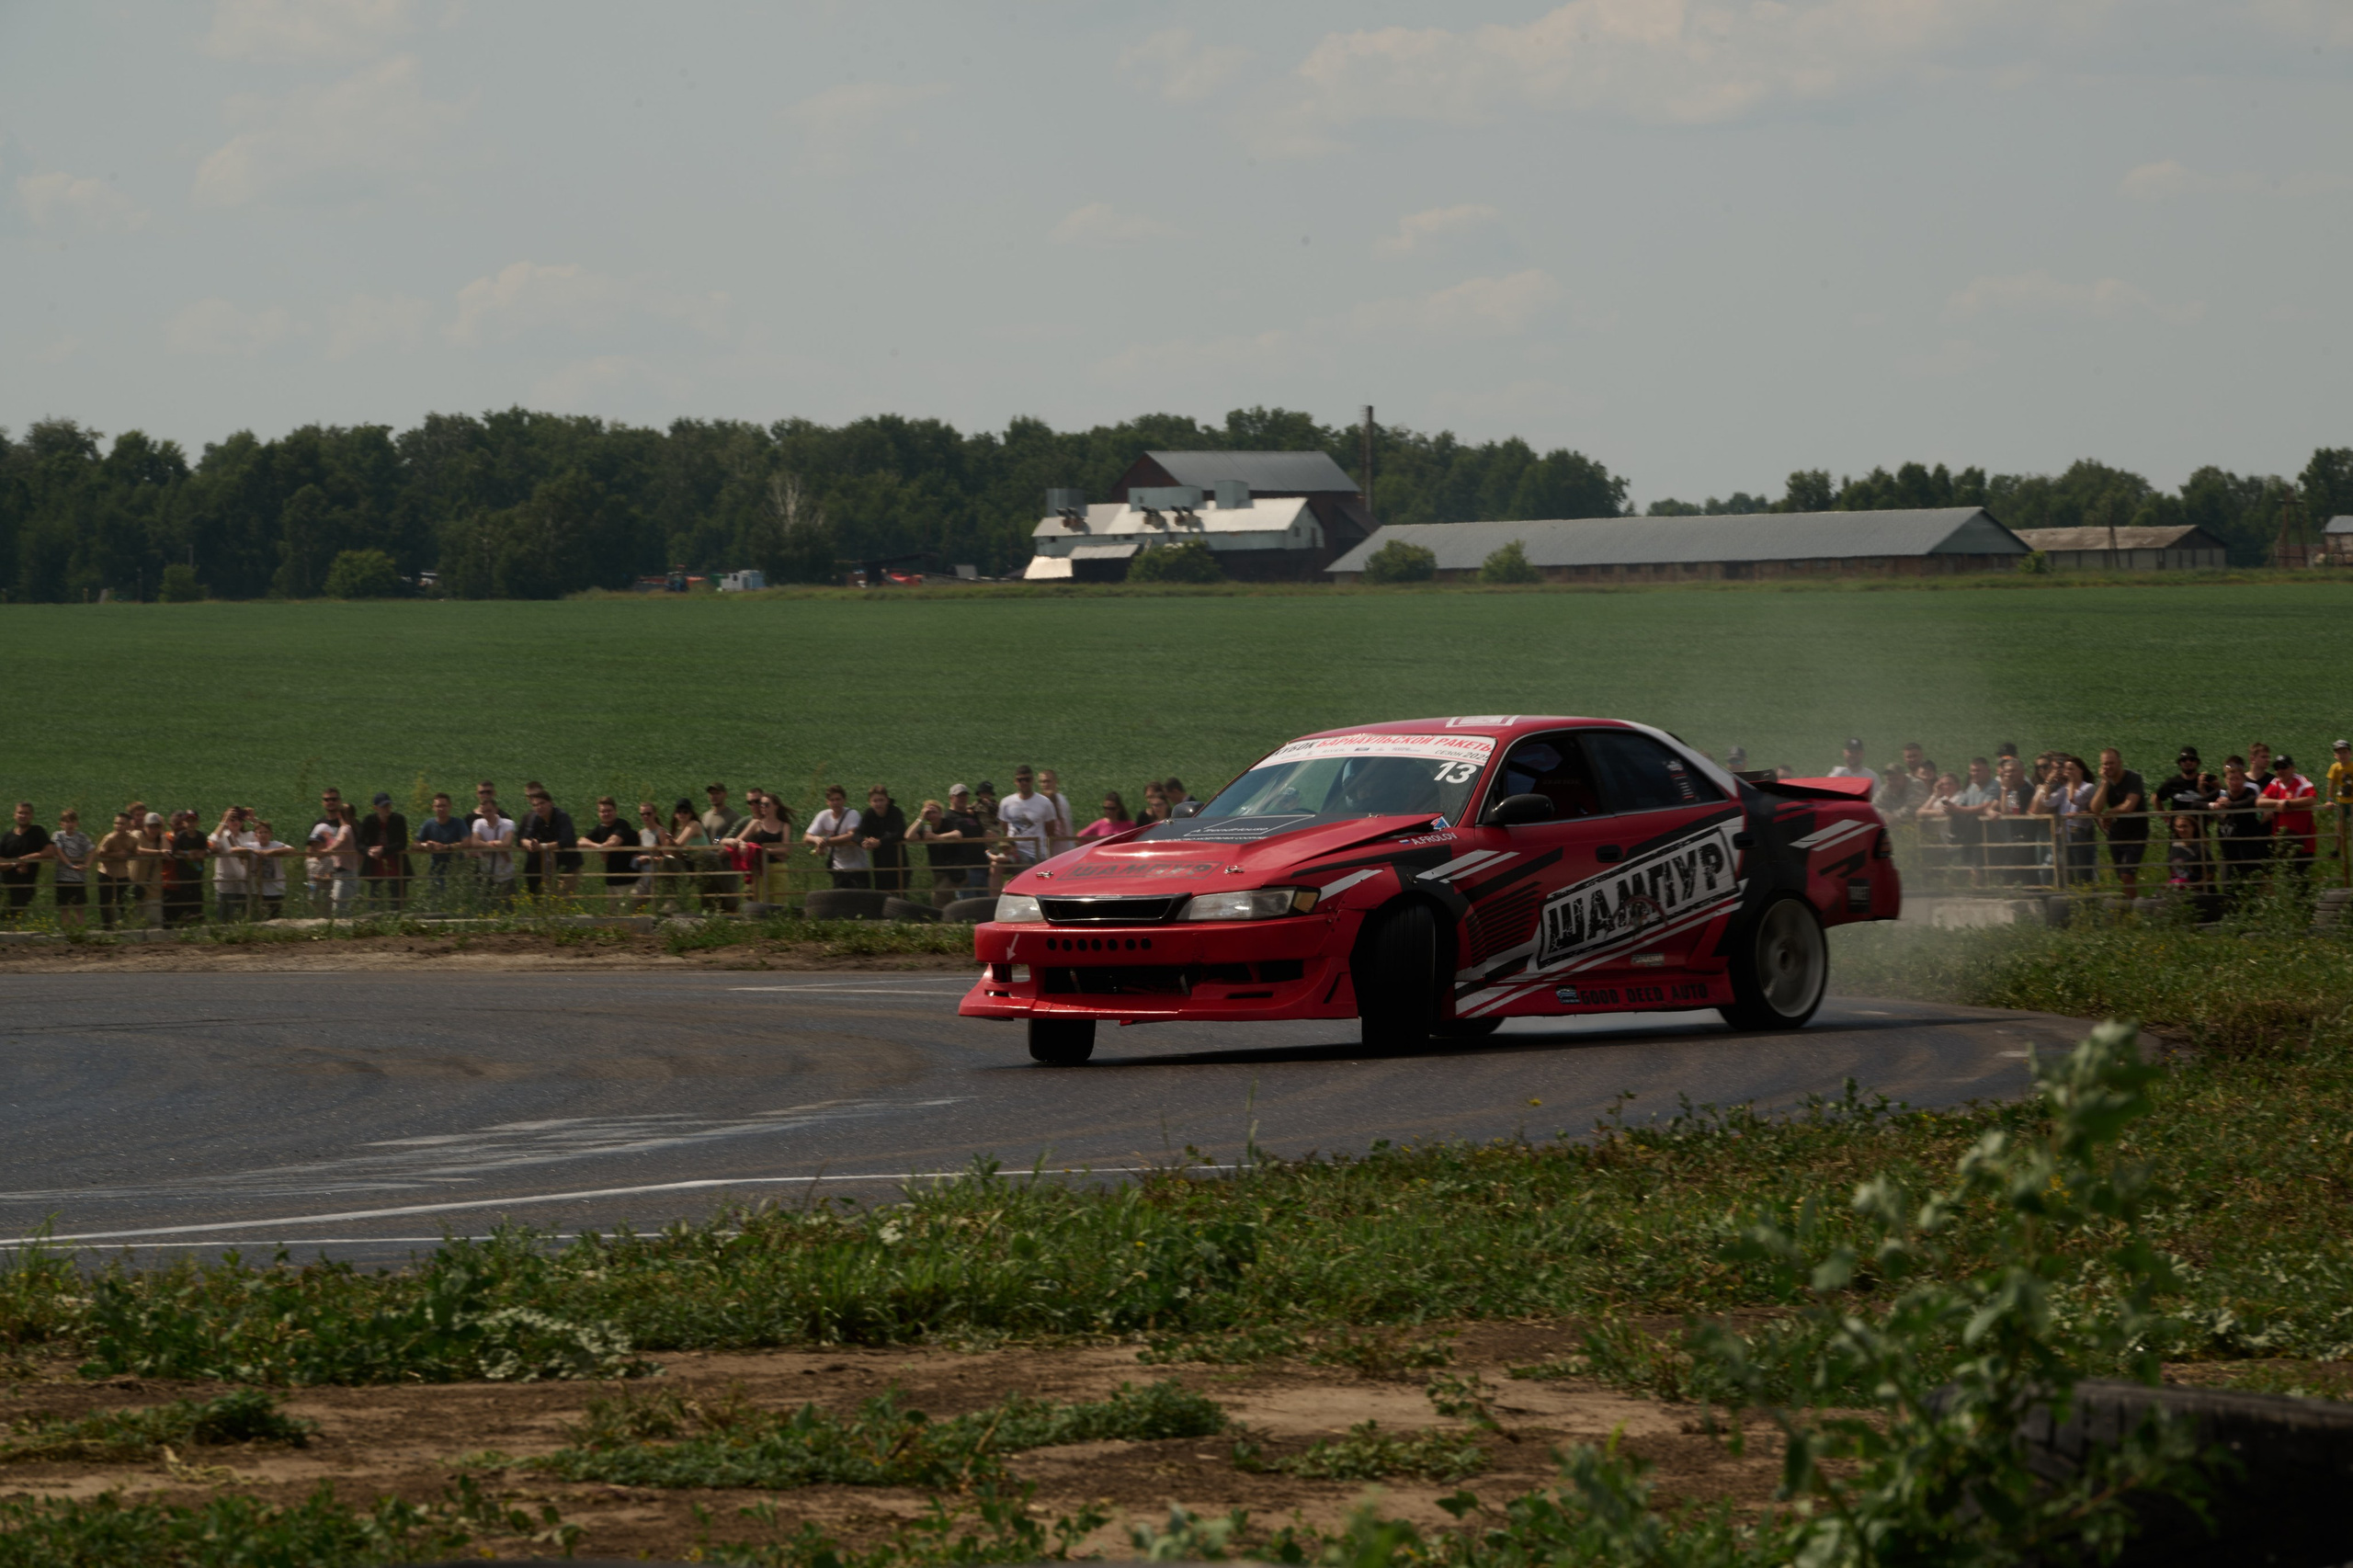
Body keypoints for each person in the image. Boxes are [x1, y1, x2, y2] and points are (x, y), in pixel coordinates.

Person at [907, 790, 985, 906]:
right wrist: (920, 818)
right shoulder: (927, 828)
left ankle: (939, 917)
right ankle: (949, 916)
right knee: (945, 899)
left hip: (953, 868)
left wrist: (937, 837)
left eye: (934, 812)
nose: (931, 815)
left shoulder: (947, 823)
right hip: (938, 870)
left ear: (940, 813)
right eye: (928, 813)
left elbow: (957, 834)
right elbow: (908, 836)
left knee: (938, 896)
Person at [2088, 748, 2149, 896]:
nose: (2108, 767)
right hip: (2116, 834)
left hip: (2136, 833)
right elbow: (2095, 809)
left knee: (2127, 875)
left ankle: (2132, 905)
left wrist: (2109, 812)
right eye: (2105, 764)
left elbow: (2129, 805)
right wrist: (2104, 782)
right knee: (2123, 876)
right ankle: (2130, 904)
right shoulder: (2105, 783)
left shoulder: (2133, 778)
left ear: (2120, 763)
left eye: (2111, 763)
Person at [2032, 755, 2096, 887]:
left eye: (2071, 769)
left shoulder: (2088, 787)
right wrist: (2048, 782)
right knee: (2063, 872)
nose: (2067, 772)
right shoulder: (2064, 788)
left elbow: (2075, 799)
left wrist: (2071, 781)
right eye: (2067, 770)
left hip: (2079, 834)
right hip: (2063, 836)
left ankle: (2086, 897)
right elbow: (2048, 801)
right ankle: (2066, 895)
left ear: (2081, 770)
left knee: (2082, 874)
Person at [2208, 756, 2269, 892]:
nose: (2234, 782)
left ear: (2243, 778)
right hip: (2227, 849)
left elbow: (2253, 802)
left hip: (2248, 848)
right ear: (2225, 779)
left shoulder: (2250, 790)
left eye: (2237, 778)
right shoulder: (2221, 793)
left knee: (2251, 888)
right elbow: (2198, 804)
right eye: (2231, 778)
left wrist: (2230, 805)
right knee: (2228, 889)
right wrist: (2213, 805)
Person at [729, 791, 795, 906]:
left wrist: (765, 851)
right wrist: (742, 844)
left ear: (776, 806)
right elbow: (736, 839)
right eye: (761, 804)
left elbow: (786, 848)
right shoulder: (754, 823)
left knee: (780, 902)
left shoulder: (784, 825)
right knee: (761, 903)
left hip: (778, 868)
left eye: (766, 804)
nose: (762, 807)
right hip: (760, 868)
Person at [1943, 757, 2002, 885]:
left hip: (1991, 833)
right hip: (1974, 836)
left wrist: (1957, 809)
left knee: (1973, 818)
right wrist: (1951, 808)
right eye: (1973, 771)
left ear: (1988, 771)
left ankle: (1960, 845)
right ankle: (1958, 844)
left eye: (1978, 770)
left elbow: (1986, 807)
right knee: (1960, 817)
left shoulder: (1995, 785)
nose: (1975, 773)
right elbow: (1961, 805)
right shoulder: (1972, 787)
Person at [996, 766, 1060, 881]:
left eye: (1027, 779)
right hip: (1015, 852)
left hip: (1037, 853)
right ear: (1015, 781)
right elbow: (1005, 828)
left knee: (1045, 876)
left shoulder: (1045, 803)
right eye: (1020, 780)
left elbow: (1050, 831)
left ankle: (1016, 884)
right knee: (995, 867)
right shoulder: (1006, 803)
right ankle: (997, 893)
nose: (1024, 783)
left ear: (1032, 780)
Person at [517, 784, 580, 899]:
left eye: (542, 803)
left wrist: (542, 847)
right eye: (535, 805)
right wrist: (530, 844)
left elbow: (566, 840)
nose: (539, 807)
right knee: (548, 899)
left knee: (563, 899)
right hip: (550, 866)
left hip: (568, 864)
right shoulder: (536, 818)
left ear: (550, 803)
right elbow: (523, 838)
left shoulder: (562, 816)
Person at [2259, 754, 2318, 873]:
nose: (2280, 771)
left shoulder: (2301, 781)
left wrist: (2289, 803)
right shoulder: (2275, 783)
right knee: (2285, 877)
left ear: (2292, 768)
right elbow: (2259, 801)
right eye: (2277, 768)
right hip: (2282, 841)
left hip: (2303, 843)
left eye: (2283, 767)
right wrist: (2280, 802)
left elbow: (2312, 799)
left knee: (2301, 878)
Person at [803, 786, 869, 891]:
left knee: (861, 898)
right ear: (827, 802)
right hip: (838, 868)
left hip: (858, 867)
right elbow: (806, 837)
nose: (835, 803)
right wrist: (817, 839)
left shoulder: (852, 814)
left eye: (838, 799)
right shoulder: (823, 816)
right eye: (832, 800)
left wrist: (826, 841)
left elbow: (851, 835)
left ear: (844, 800)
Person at [357, 792, 412, 911]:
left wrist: (383, 850)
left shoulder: (398, 819)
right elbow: (359, 843)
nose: (387, 809)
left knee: (397, 907)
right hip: (375, 871)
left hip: (396, 870)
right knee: (374, 906)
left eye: (388, 805)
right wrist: (368, 851)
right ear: (375, 808)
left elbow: (402, 843)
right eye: (383, 806)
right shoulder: (368, 821)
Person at [413, 792, 470, 906]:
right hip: (437, 868)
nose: (441, 809)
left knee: (456, 898)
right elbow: (414, 844)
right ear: (433, 807)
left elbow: (468, 842)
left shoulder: (458, 823)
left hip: (456, 865)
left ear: (450, 806)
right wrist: (426, 845)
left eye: (444, 805)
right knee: (436, 898)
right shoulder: (429, 824)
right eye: (438, 806)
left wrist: (446, 847)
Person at [582, 796, 638, 909]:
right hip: (610, 880)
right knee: (612, 914)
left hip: (627, 880)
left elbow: (613, 843)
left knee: (626, 913)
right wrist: (599, 847)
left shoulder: (622, 824)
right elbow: (580, 841)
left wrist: (604, 849)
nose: (606, 814)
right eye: (603, 811)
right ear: (598, 813)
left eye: (609, 811)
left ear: (615, 811)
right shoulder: (600, 828)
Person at [0, 801, 53, 919]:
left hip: (25, 887)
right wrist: (15, 863)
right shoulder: (7, 836)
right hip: (4, 885)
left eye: (26, 813)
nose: (23, 816)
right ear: (14, 815)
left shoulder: (37, 831)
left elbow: (50, 852)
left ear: (31, 816)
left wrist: (26, 858)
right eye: (20, 813)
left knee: (15, 919)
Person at [699, 783, 743, 913]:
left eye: (717, 793)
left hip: (727, 863)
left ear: (725, 795)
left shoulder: (733, 817)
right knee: (708, 898)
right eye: (711, 793)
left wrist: (724, 852)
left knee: (729, 900)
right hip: (709, 863)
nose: (714, 796)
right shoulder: (705, 816)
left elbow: (739, 839)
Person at [210, 805, 256, 923]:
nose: (236, 822)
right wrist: (224, 821)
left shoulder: (248, 836)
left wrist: (253, 820)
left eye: (239, 819)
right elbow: (211, 842)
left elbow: (263, 837)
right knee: (224, 919)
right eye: (232, 819)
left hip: (244, 884)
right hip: (226, 885)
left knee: (245, 919)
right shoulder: (222, 837)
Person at [164, 809, 210, 926]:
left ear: (197, 823)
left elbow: (206, 848)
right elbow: (175, 850)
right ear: (184, 823)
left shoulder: (201, 836)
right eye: (188, 821)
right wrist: (187, 853)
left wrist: (202, 853)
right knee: (184, 890)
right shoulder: (181, 836)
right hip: (184, 869)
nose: (191, 824)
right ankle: (186, 913)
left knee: (197, 889)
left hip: (197, 868)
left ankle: (197, 912)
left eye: (193, 821)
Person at [859, 786, 910, 893]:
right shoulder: (869, 814)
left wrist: (880, 842)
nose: (878, 804)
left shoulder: (895, 812)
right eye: (875, 801)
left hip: (898, 860)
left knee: (900, 893)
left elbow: (900, 833)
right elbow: (857, 833)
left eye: (881, 800)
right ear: (870, 802)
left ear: (887, 800)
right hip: (879, 861)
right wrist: (863, 842)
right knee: (881, 893)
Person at [665, 799, 711, 913]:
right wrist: (670, 844)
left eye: (685, 811)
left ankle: (676, 902)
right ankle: (673, 901)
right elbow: (676, 853)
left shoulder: (694, 824)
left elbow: (679, 844)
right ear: (675, 814)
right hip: (691, 863)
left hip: (704, 862)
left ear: (691, 814)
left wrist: (670, 842)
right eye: (679, 811)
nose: (682, 814)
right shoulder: (679, 830)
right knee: (666, 862)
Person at [94, 811, 138, 930]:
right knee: (106, 905)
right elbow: (100, 853)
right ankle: (107, 929)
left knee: (124, 903)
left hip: (122, 874)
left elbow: (135, 851)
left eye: (122, 824)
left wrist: (129, 854)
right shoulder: (110, 838)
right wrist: (116, 855)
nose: (118, 826)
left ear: (128, 825)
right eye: (116, 823)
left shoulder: (132, 839)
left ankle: (124, 927)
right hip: (107, 873)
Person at [470, 795, 517, 905]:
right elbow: (475, 842)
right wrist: (495, 844)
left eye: (489, 811)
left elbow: (507, 843)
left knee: (508, 907)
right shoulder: (478, 823)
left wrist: (485, 846)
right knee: (486, 907)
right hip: (486, 874)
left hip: (505, 875)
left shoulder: (508, 824)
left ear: (496, 810)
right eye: (484, 812)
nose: (487, 814)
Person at [247, 818, 293, 919]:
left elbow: (292, 849)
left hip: (275, 889)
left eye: (266, 832)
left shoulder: (275, 844)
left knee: (276, 918)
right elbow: (234, 849)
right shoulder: (251, 846)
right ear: (256, 835)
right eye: (260, 832)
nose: (263, 835)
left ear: (270, 834)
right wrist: (252, 851)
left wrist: (271, 852)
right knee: (258, 917)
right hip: (258, 889)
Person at [2165, 812, 2212, 895]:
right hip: (2177, 887)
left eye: (2185, 826)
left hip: (2196, 890)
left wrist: (2193, 887)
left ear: (2193, 828)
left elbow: (2210, 875)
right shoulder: (2174, 847)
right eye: (2179, 827)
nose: (2182, 830)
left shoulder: (2201, 848)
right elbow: (2173, 872)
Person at [1037, 768, 1076, 856]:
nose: (1045, 784)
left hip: (1060, 849)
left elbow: (1060, 829)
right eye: (1042, 782)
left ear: (1055, 782)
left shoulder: (1060, 801)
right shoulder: (1043, 800)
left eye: (1048, 781)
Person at [2328, 740, 2353, 864]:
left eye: (2345, 752)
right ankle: (2336, 849)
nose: (2342, 755)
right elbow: (2331, 785)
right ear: (2335, 755)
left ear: (2350, 754)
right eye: (2339, 753)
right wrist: (2329, 800)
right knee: (2339, 827)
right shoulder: (2335, 768)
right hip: (2341, 802)